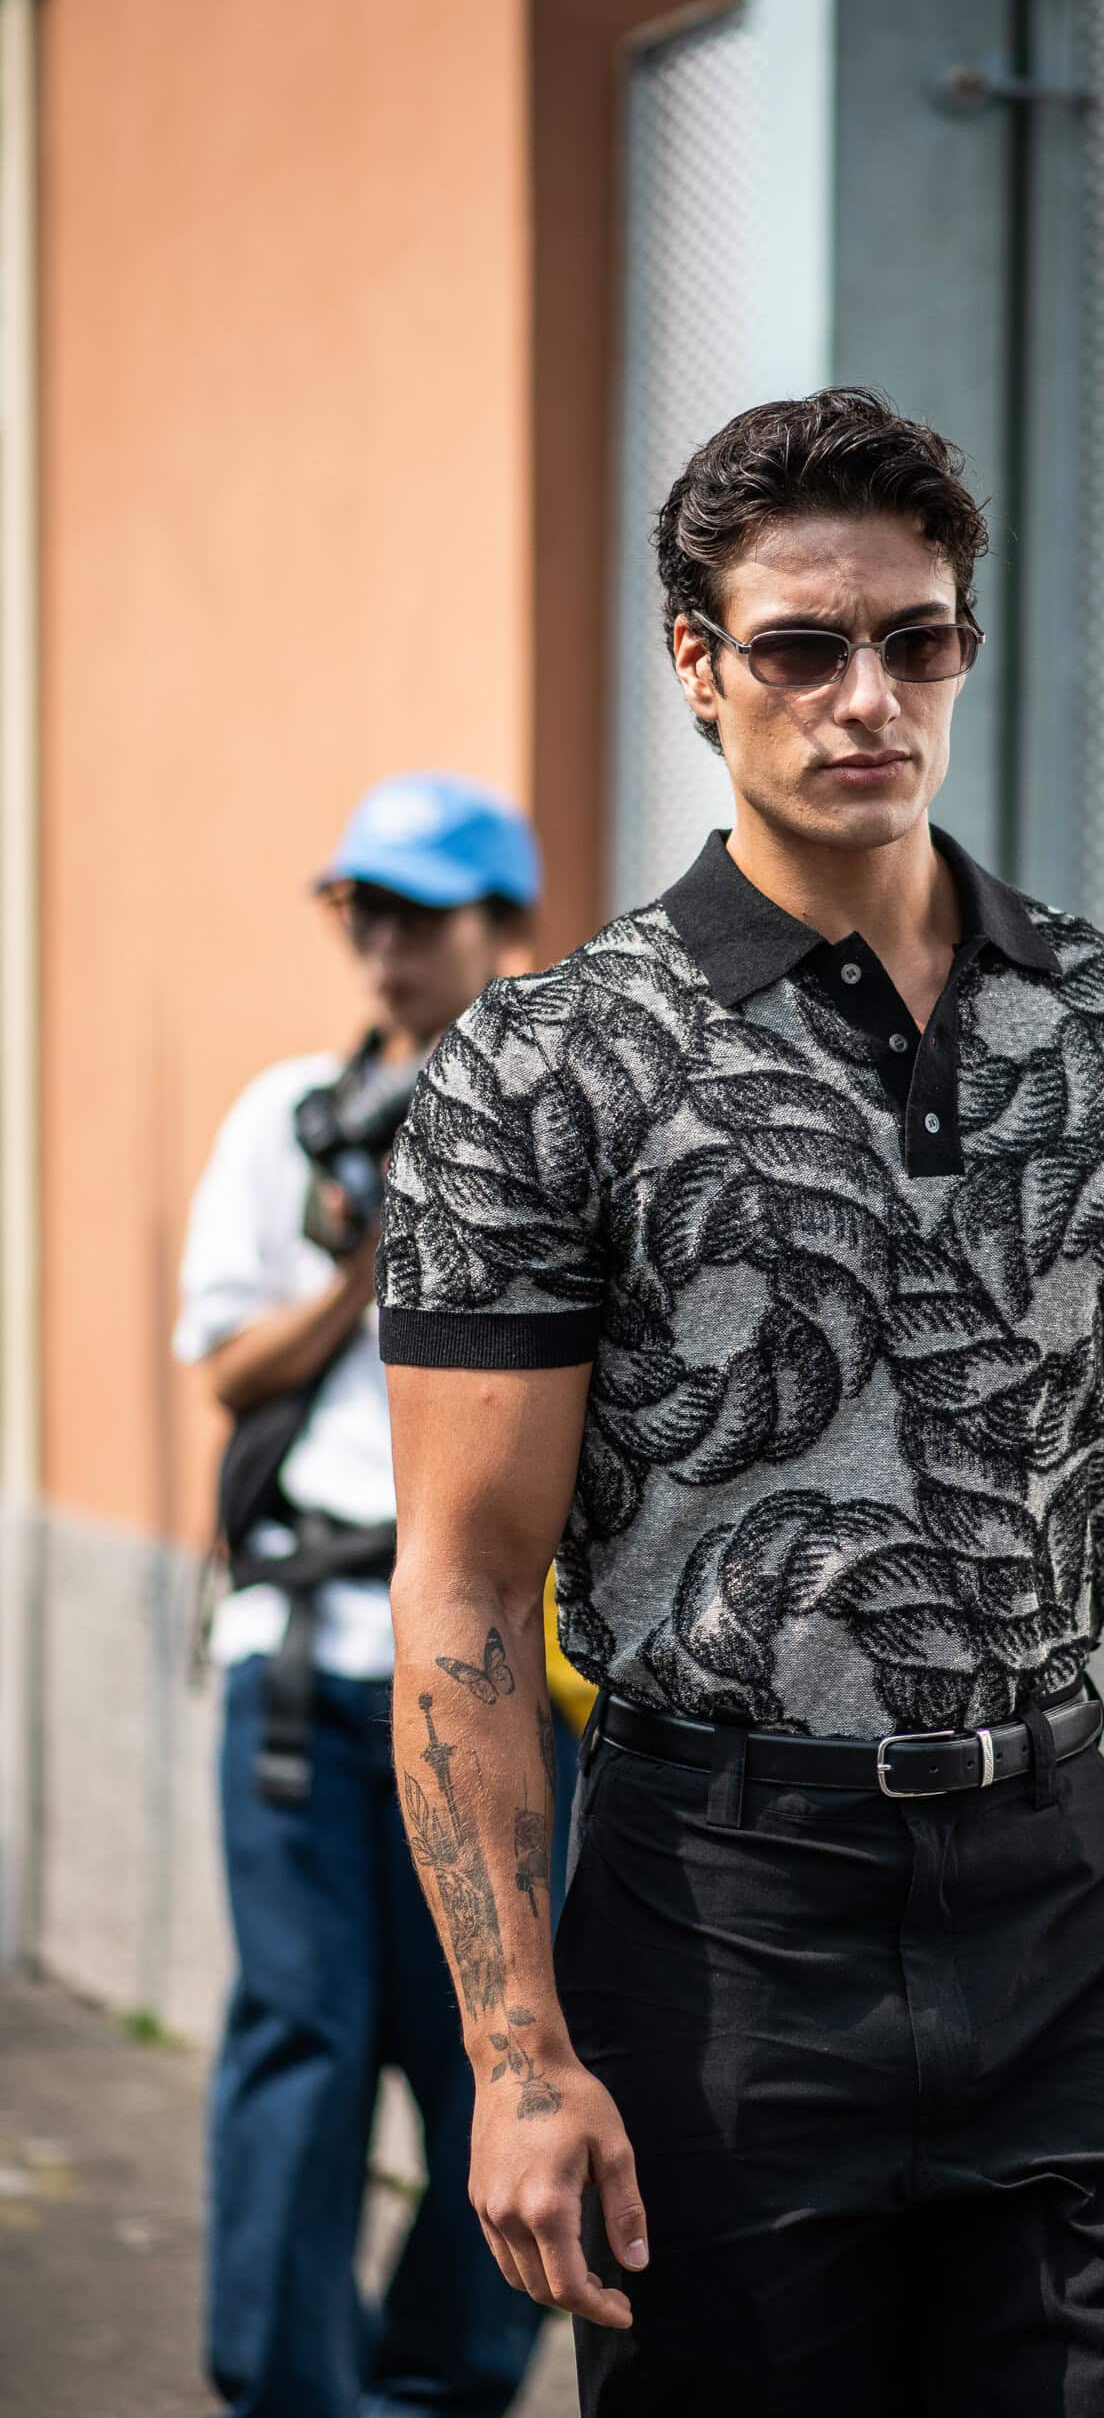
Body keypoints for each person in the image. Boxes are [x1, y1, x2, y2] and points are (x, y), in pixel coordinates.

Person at [374, 389, 1104, 2418]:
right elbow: (468, 1582)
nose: (868, 697)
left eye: (915, 639)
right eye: (801, 647)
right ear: (698, 664)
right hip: (719, 1911)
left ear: (963, 645)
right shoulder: (545, 1065)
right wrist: (518, 2049)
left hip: (1058, 1894)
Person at [174, 772, 578, 2418]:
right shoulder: (291, 1120)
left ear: (504, 928)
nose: (387, 949)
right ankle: (287, 2394)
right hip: (304, 1666)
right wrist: (365, 1264)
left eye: (420, 916)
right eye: (365, 914)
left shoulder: (566, 1127)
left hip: (496, 1686)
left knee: (509, 2050)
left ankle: (438, 2389)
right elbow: (226, 1370)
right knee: (302, 2044)